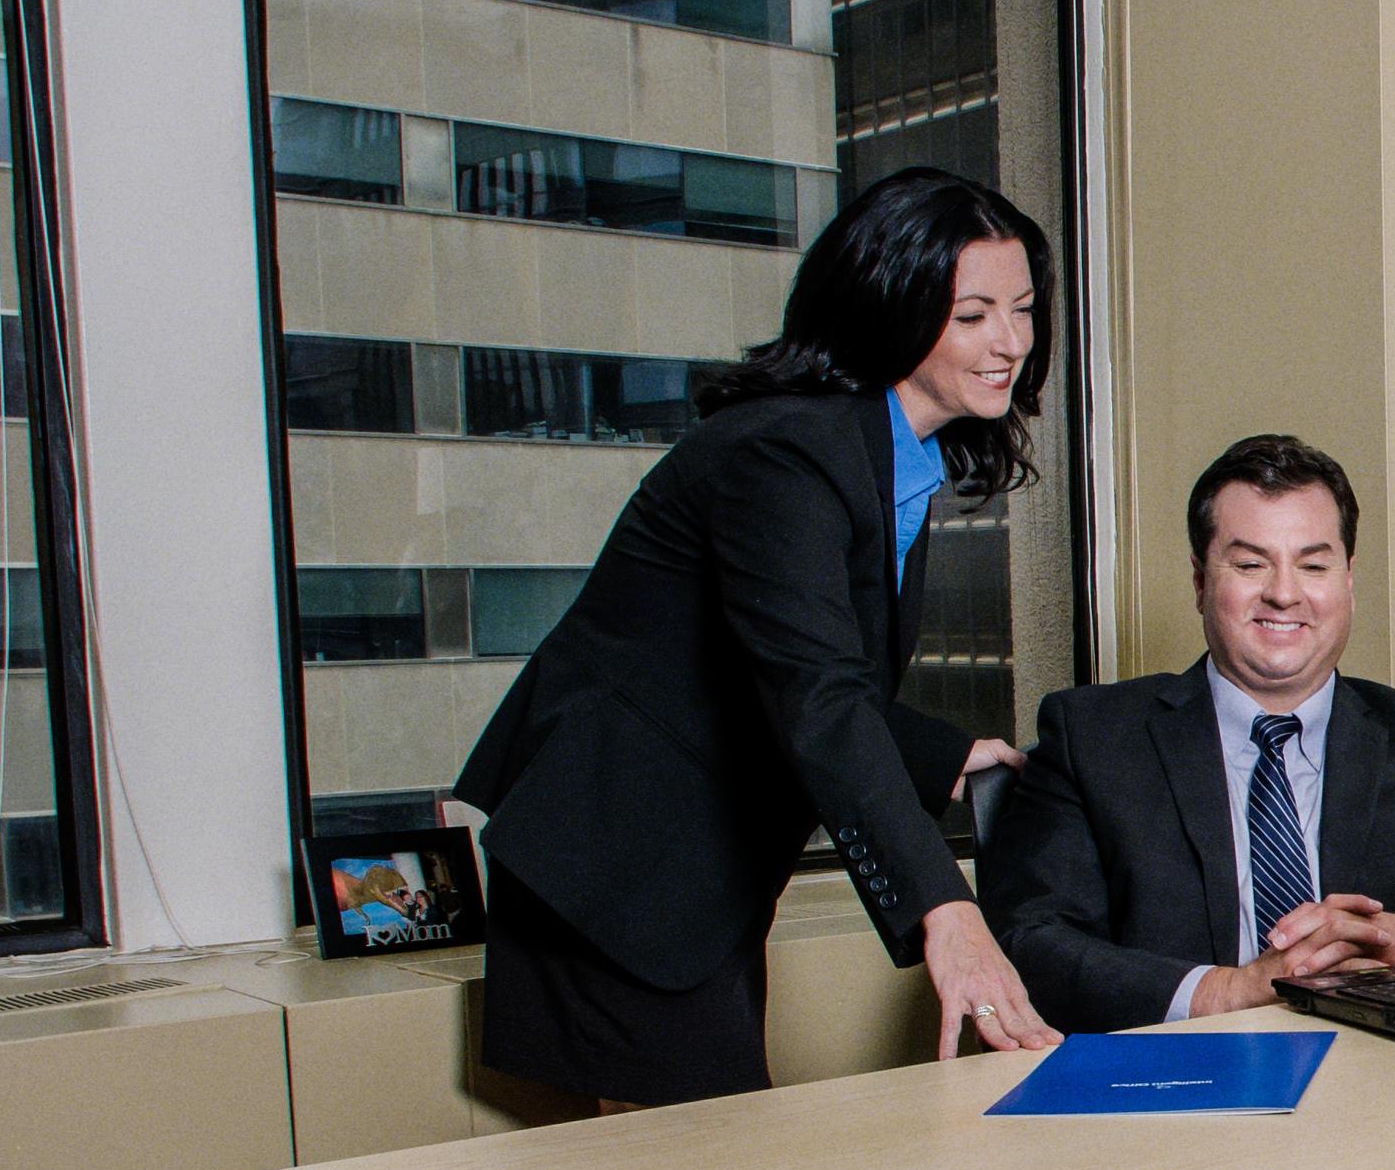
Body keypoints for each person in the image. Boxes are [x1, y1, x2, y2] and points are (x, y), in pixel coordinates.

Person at [452, 170, 1065, 1108]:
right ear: (889, 303)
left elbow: (774, 664)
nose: (1011, 342)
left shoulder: (888, 458)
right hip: (615, 865)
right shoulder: (787, 451)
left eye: (1021, 309)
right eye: (973, 313)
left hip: (683, 880)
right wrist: (947, 911)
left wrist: (945, 754)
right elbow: (813, 691)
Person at [982, 435, 1395, 1033]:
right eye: (1249, 564)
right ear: (1199, 580)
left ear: (1348, 580)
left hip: (1385, 1083)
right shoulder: (1092, 738)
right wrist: (1229, 990)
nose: (1284, 593)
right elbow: (1030, 942)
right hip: (1178, 1085)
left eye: (1313, 565)